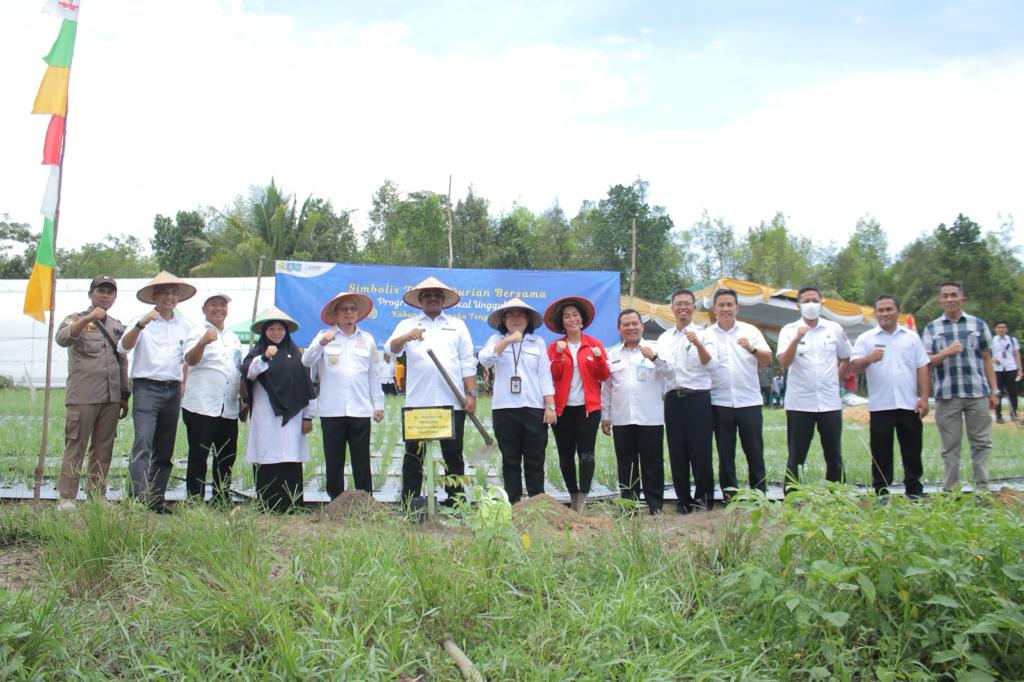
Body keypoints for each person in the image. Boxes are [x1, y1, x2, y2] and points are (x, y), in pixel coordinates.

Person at [387, 277, 477, 507]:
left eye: (437, 295)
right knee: (413, 455)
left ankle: (456, 500)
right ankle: (410, 500)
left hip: (452, 402)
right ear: (420, 300)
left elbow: (467, 361)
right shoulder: (408, 325)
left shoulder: (457, 325)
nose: (432, 298)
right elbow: (391, 349)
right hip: (419, 402)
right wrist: (407, 337)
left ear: (443, 299)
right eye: (427, 295)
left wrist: (471, 394)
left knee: (453, 455)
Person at [118, 271, 196, 513]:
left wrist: (183, 382)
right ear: (154, 296)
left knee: (165, 447)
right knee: (143, 442)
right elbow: (123, 347)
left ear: (178, 298)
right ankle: (137, 497)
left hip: (172, 390)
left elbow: (187, 359)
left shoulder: (185, 325)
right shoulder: (140, 320)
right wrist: (142, 324)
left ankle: (156, 499)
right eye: (164, 292)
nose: (169, 297)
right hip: (146, 388)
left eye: (174, 293)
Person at [54, 275, 130, 510]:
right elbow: (62, 338)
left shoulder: (118, 326)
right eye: (100, 291)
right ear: (91, 294)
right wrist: (88, 317)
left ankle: (97, 495)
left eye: (110, 292)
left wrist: (124, 394)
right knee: (75, 445)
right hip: (84, 396)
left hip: (110, 397)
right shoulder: (75, 318)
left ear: (115, 297)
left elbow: (123, 360)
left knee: (103, 447)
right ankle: (66, 497)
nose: (105, 295)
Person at [302, 292, 384, 499]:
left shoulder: (368, 340)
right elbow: (306, 361)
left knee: (361, 458)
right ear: (336, 314)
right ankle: (335, 501)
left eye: (352, 309)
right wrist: (321, 343)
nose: (349, 313)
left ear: (358, 314)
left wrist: (379, 405)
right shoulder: (324, 336)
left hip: (360, 409)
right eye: (344, 309)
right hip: (332, 409)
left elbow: (374, 375)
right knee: (334, 458)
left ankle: (365, 499)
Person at [921, 281, 998, 492]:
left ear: (962, 298)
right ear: (940, 301)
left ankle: (983, 488)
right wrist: (946, 351)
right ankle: (950, 489)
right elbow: (926, 363)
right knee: (950, 446)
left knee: (981, 442)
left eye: (953, 295)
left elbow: (986, 359)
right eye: (945, 296)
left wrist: (994, 390)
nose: (949, 300)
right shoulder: (931, 328)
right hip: (947, 395)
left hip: (977, 392)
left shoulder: (978, 325)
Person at [850, 295, 930, 497]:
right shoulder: (866, 339)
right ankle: (881, 491)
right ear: (875, 314)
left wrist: (924, 398)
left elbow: (922, 366)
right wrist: (869, 358)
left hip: (908, 404)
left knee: (912, 450)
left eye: (889, 309)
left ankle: (914, 490)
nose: (885, 313)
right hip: (880, 405)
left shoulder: (911, 337)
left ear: (897, 312)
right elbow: (854, 366)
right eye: (880, 310)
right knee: (881, 452)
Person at [478, 297, 556, 504]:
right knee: (510, 460)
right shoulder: (495, 340)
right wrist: (509, 340)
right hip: (504, 409)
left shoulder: (537, 342)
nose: (516, 319)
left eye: (520, 315)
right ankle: (512, 504)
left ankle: (536, 503)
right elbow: (484, 360)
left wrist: (550, 405)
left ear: (528, 319)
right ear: (503, 320)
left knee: (535, 459)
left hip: (534, 408)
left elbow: (544, 376)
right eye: (510, 315)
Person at [777, 285, 852, 492]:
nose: (811, 304)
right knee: (796, 455)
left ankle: (837, 494)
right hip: (800, 403)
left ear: (821, 303)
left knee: (833, 454)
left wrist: (835, 380)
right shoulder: (789, 330)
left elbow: (846, 358)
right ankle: (792, 495)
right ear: (798, 305)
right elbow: (784, 362)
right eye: (806, 301)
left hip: (829, 403)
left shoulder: (833, 329)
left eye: (814, 300)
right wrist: (796, 339)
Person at [242, 307, 316, 512]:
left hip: (293, 415)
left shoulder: (295, 355)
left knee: (290, 455)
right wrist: (265, 357)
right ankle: (267, 502)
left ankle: (291, 502)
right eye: (271, 329)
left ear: (286, 332)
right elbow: (249, 373)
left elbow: (306, 386)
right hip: (265, 414)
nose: (276, 333)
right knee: (267, 454)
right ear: (264, 332)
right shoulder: (257, 354)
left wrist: (308, 416)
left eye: (280, 329)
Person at [545, 296, 610, 513]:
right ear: (561, 322)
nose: (571, 319)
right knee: (565, 454)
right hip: (562, 410)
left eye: (575, 315)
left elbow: (603, 375)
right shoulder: (554, 347)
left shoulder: (594, 345)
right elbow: (551, 376)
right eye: (566, 316)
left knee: (586, 454)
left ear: (582, 320)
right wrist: (560, 356)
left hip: (588, 409)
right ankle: (572, 495)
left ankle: (583, 497)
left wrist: (599, 358)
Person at [707, 288, 771, 503]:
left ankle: (759, 494)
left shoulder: (750, 331)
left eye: (729, 305)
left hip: (748, 401)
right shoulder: (707, 334)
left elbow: (767, 358)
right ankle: (730, 495)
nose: (725, 309)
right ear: (714, 309)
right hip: (719, 401)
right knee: (725, 453)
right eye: (721, 305)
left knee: (754, 450)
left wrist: (751, 349)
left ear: (737, 308)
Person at [657, 289, 718, 513]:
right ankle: (683, 500)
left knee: (701, 451)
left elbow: (712, 366)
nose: (683, 307)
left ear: (694, 307)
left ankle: (703, 499)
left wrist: (699, 344)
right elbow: (665, 370)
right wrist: (654, 358)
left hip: (698, 398)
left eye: (687, 304)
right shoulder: (664, 338)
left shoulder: (706, 334)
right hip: (673, 399)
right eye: (678, 304)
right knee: (677, 451)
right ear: (672, 309)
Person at [600, 309, 665, 513]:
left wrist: (654, 358)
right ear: (619, 329)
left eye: (634, 323)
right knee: (626, 465)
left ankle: (655, 506)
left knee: (652, 464)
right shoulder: (613, 355)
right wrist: (606, 416)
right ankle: (629, 506)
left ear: (642, 326)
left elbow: (670, 373)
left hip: (651, 417)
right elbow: (607, 388)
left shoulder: (654, 348)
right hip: (622, 418)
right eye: (626, 324)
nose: (631, 328)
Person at [181, 293, 243, 505]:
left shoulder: (233, 338)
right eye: (214, 305)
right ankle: (195, 498)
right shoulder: (197, 332)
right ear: (204, 309)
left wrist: (244, 400)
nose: (219, 309)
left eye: (223, 305)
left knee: (226, 455)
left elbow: (237, 370)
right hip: (202, 405)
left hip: (228, 406)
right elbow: (190, 359)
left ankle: (221, 496)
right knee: (199, 455)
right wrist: (203, 342)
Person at [992, 321, 1022, 423]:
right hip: (997, 369)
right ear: (995, 329)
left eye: (1003, 327)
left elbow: (1016, 354)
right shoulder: (992, 341)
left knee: (1013, 392)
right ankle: (998, 416)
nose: (1001, 329)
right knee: (998, 393)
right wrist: (993, 360)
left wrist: (1020, 370)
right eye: (999, 327)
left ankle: (1013, 414)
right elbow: (986, 355)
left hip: (1011, 368)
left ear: (1006, 329)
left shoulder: (1012, 340)